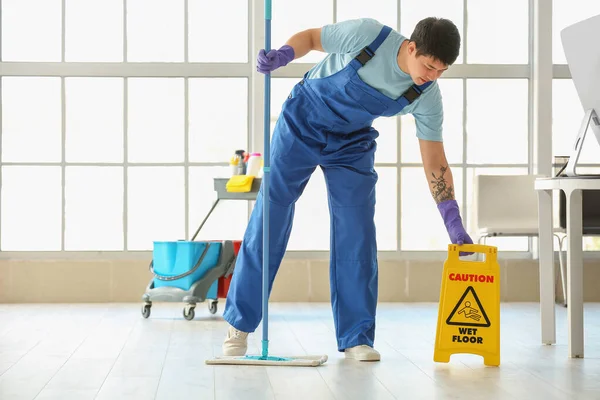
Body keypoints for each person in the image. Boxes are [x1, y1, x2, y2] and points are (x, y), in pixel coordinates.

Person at [221, 17, 474, 362]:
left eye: (440, 71)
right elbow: (311, 37)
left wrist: (452, 219)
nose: (432, 77)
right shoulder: (369, 36)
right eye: (429, 66)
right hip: (301, 122)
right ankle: (239, 326)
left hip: (352, 143)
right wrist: (284, 55)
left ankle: (357, 336)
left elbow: (435, 160)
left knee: (357, 231)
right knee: (271, 217)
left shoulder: (426, 95)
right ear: (411, 47)